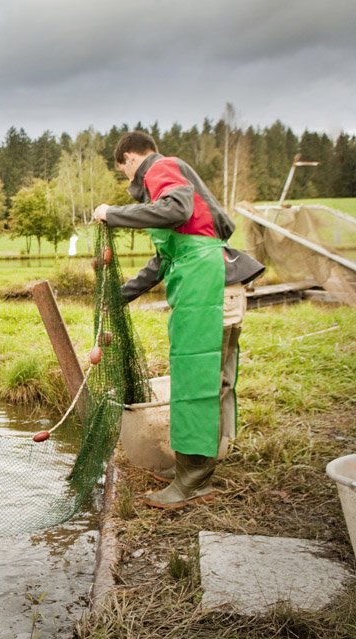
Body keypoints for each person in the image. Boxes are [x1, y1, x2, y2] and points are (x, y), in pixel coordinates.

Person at [93, 131, 263, 509]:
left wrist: (112, 214)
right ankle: (194, 467)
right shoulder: (170, 184)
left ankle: (194, 480)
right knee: (203, 377)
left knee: (199, 379)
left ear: (129, 159)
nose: (129, 183)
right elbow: (162, 261)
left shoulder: (161, 167)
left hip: (209, 289)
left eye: (124, 173)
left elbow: (176, 209)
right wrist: (117, 297)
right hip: (204, 285)